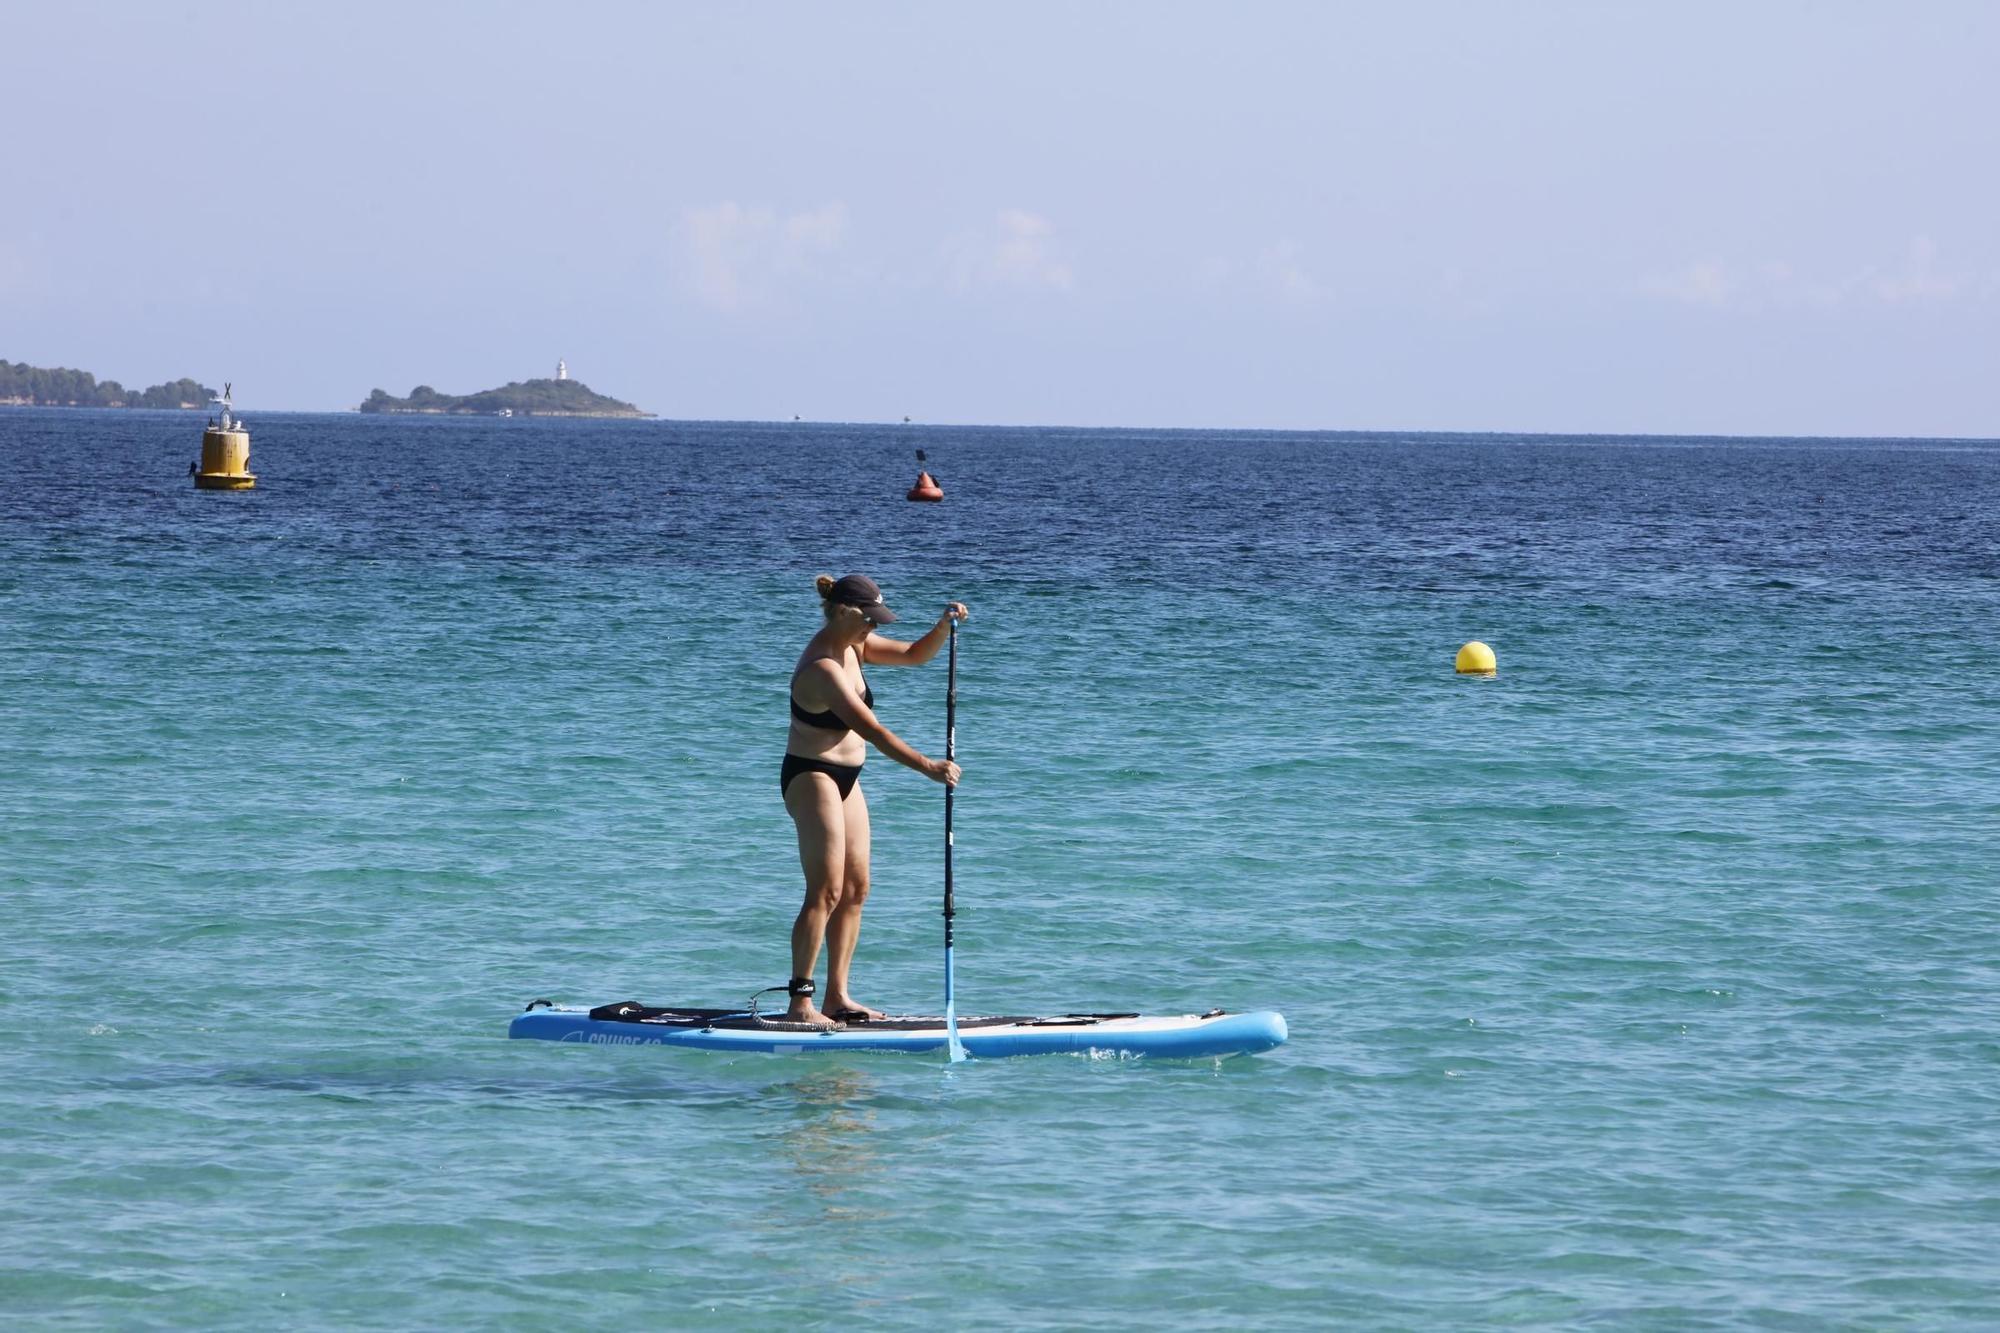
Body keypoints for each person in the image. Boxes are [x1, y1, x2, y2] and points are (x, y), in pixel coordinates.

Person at [780, 573, 967, 1028]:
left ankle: (837, 997)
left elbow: (913, 654)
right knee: (825, 891)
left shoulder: (855, 644)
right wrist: (927, 766)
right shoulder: (823, 667)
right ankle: (800, 1004)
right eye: (868, 620)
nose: (872, 628)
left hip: (849, 777)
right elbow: (874, 731)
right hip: (812, 775)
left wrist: (943, 626)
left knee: (856, 889)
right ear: (843, 612)